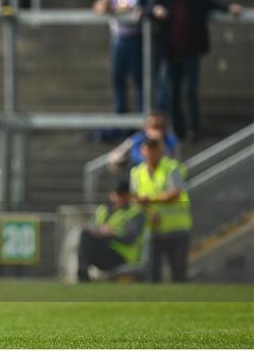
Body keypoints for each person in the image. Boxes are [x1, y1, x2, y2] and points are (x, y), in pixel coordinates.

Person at [151, 0, 242, 140]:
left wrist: (229, 7)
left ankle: (194, 128)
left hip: (190, 52)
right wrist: (154, 10)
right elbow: (146, 7)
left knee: (190, 91)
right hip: (171, 53)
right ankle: (178, 130)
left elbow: (213, 3)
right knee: (173, 94)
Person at [130, 137, 192, 282]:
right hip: (153, 230)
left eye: (154, 150)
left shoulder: (171, 168)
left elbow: (175, 193)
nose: (151, 154)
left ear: (161, 151)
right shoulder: (137, 173)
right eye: (148, 150)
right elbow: (136, 199)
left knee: (178, 275)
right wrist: (150, 212)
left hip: (177, 228)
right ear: (142, 151)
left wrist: (150, 199)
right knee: (152, 275)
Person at [93, 0, 145, 115]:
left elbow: (131, 7)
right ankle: (119, 118)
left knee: (138, 80)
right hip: (118, 39)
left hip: (136, 38)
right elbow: (99, 7)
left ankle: (139, 117)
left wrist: (112, 8)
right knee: (117, 80)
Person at [77, 180, 145, 282]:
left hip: (121, 255)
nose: (121, 198)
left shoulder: (135, 213)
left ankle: (83, 274)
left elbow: (129, 238)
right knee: (85, 234)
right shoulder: (103, 209)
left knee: (86, 241)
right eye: (119, 194)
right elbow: (93, 226)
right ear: (112, 194)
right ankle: (82, 272)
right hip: (103, 250)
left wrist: (112, 234)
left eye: (124, 195)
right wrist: (96, 230)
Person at [136, 0, 173, 111]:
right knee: (156, 78)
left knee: (168, 80)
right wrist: (153, 10)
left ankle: (167, 117)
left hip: (173, 38)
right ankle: (157, 115)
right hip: (154, 38)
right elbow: (141, 5)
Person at [108, 110, 179, 170]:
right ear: (146, 127)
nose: (155, 130)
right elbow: (114, 158)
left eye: (159, 127)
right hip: (138, 181)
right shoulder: (137, 139)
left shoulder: (170, 141)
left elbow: (173, 163)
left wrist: (160, 142)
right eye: (152, 126)